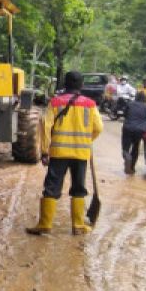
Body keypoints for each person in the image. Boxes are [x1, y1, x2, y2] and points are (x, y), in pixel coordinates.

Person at [25, 71, 103, 236]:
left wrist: (45, 151)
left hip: (59, 152)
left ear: (64, 85)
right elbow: (98, 128)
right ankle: (78, 226)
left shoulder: (55, 102)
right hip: (81, 153)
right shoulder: (90, 104)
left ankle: (45, 224)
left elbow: (45, 125)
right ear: (81, 85)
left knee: (52, 188)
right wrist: (87, 141)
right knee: (79, 188)